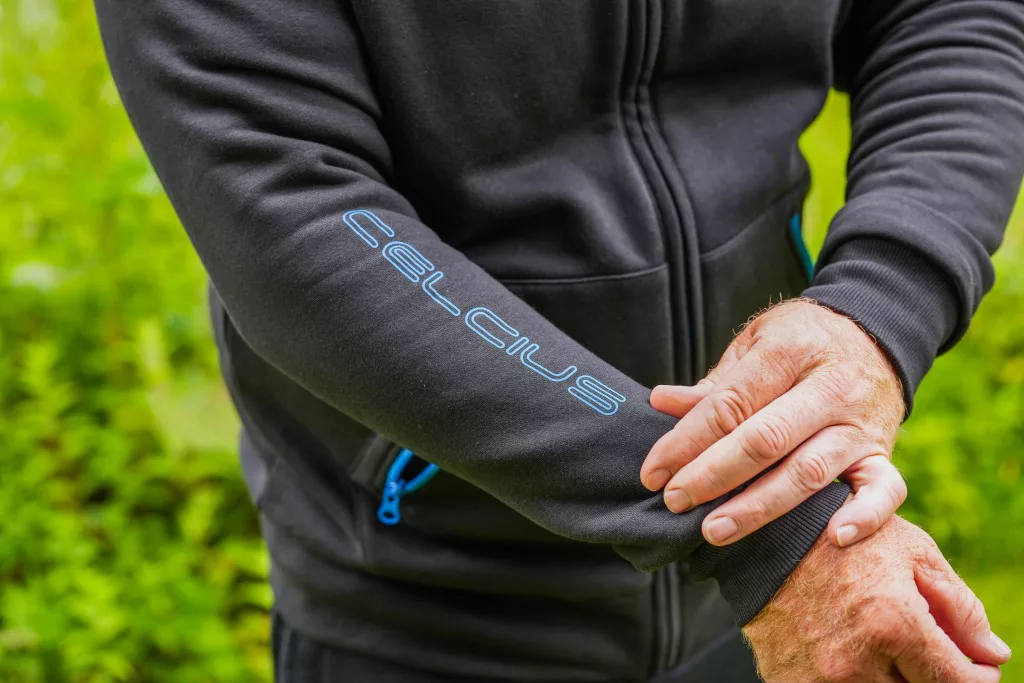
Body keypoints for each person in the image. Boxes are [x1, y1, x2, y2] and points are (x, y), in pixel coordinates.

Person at [93, 0, 1024, 680]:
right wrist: (763, 531)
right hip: (435, 617)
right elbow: (291, 212)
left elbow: (946, 14)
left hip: (751, 588)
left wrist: (877, 308)